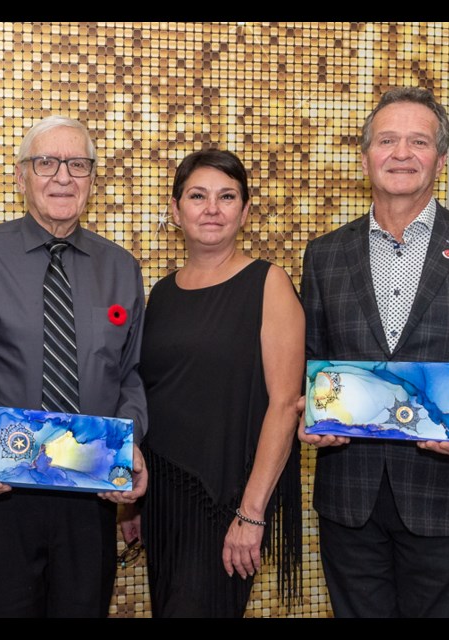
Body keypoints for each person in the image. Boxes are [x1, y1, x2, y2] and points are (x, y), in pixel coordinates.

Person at [299, 87, 449, 618]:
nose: (401, 153)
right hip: (350, 500)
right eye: (386, 140)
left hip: (448, 499)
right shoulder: (324, 255)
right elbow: (310, 361)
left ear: (439, 157)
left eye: (418, 141)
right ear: (365, 156)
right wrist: (309, 406)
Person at [0, 115, 148, 617]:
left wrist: (131, 440)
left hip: (91, 489)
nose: (62, 177)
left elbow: (130, 372)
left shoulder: (121, 267)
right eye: (46, 162)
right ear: (21, 175)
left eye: (78, 164)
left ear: (93, 178)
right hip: (2, 491)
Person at [131, 149, 302, 617]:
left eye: (227, 197)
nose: (212, 209)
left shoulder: (269, 284)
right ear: (175, 209)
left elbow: (286, 405)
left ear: (245, 211)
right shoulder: (162, 293)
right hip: (163, 497)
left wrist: (251, 513)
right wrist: (133, 504)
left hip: (224, 501)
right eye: (198, 196)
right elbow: (152, 395)